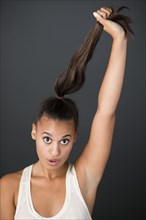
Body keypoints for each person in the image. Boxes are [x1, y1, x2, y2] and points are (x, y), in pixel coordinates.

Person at [0, 6, 134, 220]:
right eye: (47, 139)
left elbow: (106, 112)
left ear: (74, 138)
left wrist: (120, 39)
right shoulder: (9, 187)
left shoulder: (82, 180)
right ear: (34, 132)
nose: (54, 152)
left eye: (64, 141)